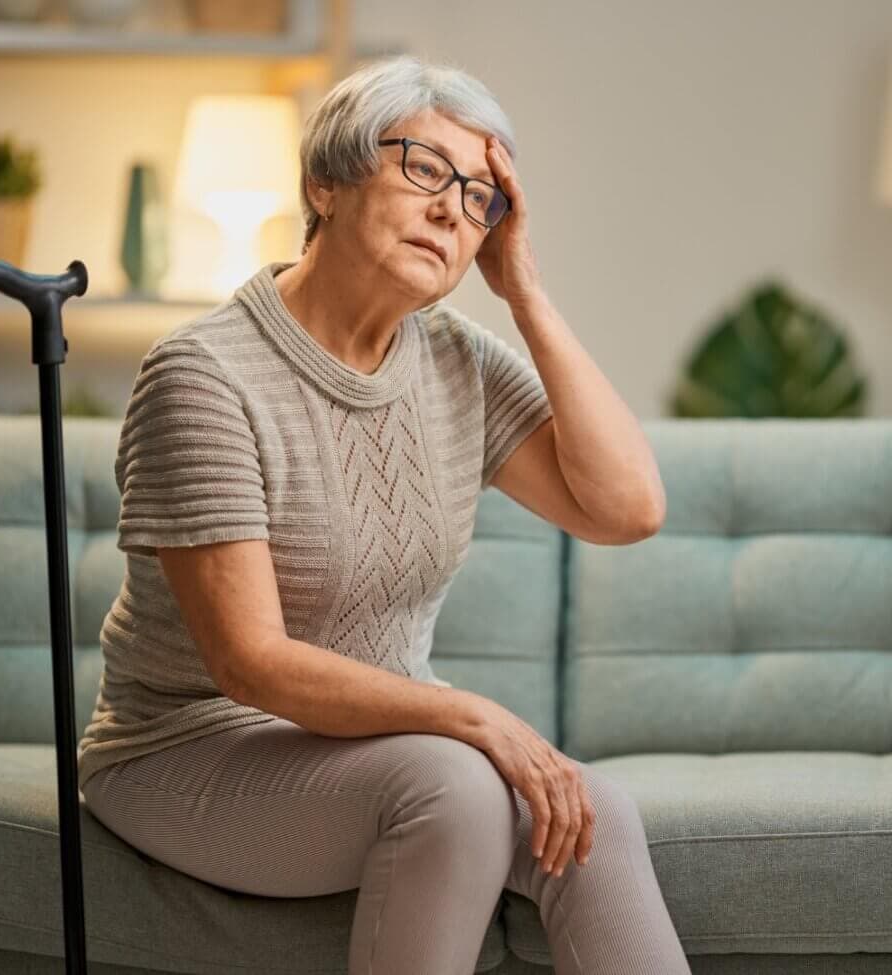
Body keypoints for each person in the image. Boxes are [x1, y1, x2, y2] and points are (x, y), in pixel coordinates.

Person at [78, 54, 688, 975]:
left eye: (481, 197)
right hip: (187, 747)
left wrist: (523, 290)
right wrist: (474, 716)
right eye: (425, 168)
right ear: (325, 183)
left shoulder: (455, 359)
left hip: (379, 745)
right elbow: (249, 661)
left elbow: (629, 507)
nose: (452, 210)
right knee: (458, 785)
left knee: (595, 818)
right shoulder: (203, 374)